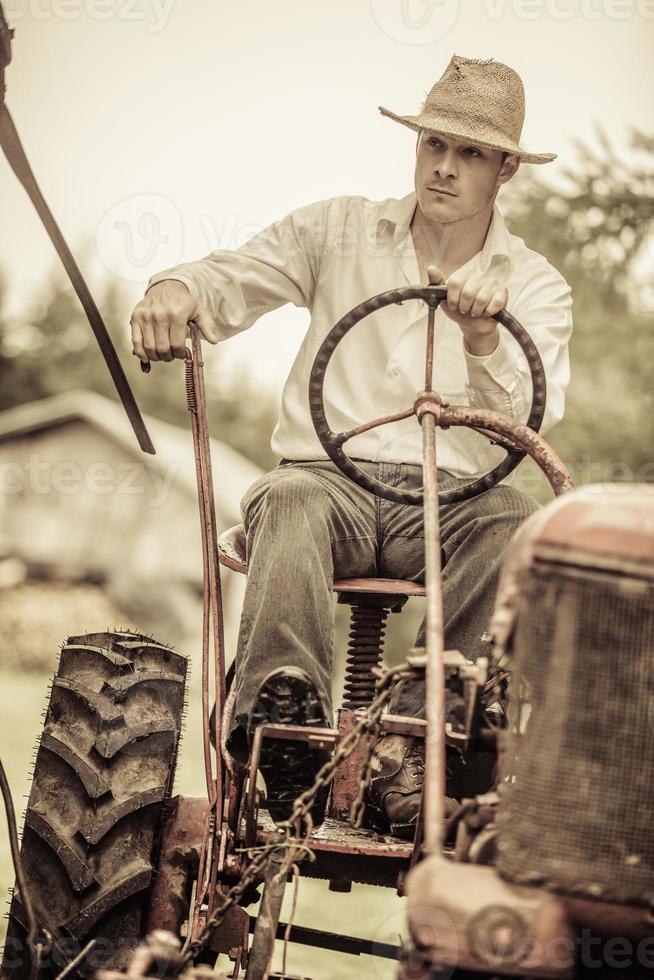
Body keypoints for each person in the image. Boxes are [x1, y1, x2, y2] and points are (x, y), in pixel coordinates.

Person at [130, 55, 573, 838]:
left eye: (471, 153)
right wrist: (177, 289)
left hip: (453, 505)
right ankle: (283, 732)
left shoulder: (534, 286)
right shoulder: (339, 229)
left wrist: (480, 335)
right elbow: (233, 276)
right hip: (326, 483)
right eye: (435, 143)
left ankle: (428, 739)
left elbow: (533, 416)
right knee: (289, 495)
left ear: (506, 168)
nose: (444, 166)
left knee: (517, 518)